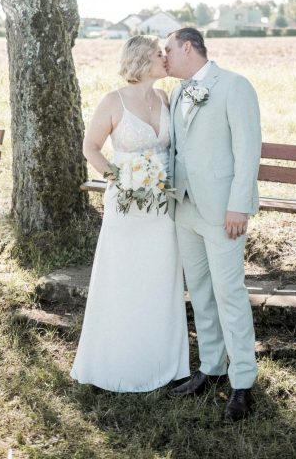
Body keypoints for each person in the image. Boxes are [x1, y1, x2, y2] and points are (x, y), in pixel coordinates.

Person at [70, 34, 190, 392]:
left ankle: (166, 364)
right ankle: (112, 363)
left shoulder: (166, 97)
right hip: (126, 206)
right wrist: (116, 178)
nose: (165, 58)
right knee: (122, 279)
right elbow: (90, 147)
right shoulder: (113, 101)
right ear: (141, 59)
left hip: (161, 207)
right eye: (159, 54)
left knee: (161, 281)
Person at [164, 27, 262, 422]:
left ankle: (242, 381)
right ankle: (210, 366)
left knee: (229, 293)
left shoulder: (235, 86)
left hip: (224, 213)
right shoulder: (176, 92)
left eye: (168, 49)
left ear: (188, 47)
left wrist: (239, 206)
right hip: (185, 209)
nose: (164, 56)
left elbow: (247, 149)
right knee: (200, 292)